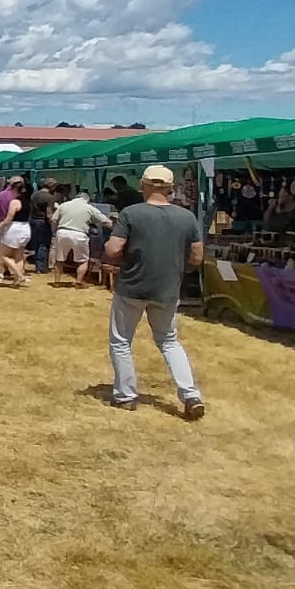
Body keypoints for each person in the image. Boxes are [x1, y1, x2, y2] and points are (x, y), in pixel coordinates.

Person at [104, 165, 205, 418]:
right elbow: (197, 256)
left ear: (144, 185)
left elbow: (113, 250)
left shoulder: (131, 213)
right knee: (169, 341)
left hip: (132, 286)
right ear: (170, 188)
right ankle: (190, 395)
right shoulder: (187, 217)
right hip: (167, 288)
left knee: (121, 341)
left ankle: (126, 396)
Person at [50, 184, 110, 285]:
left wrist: (55, 231)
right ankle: (78, 282)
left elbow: (53, 219)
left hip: (62, 232)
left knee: (59, 259)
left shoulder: (64, 205)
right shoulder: (89, 208)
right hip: (79, 234)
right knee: (82, 260)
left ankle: (57, 281)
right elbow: (105, 221)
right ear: (87, 200)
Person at [0, 178, 29, 287]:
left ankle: (19, 275)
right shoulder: (28, 202)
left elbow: (9, 218)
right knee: (18, 255)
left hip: (14, 228)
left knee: (3, 255)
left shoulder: (15, 202)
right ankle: (17, 279)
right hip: (26, 227)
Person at [28, 179, 57, 273]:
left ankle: (37, 264)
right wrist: (52, 224)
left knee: (36, 243)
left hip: (33, 220)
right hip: (43, 222)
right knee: (43, 244)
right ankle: (41, 267)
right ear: (52, 186)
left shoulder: (34, 194)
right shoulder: (49, 197)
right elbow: (49, 214)